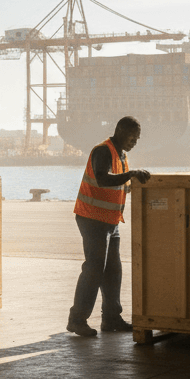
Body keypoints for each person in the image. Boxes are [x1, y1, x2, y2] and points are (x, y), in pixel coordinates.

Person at [68, 116, 151, 337]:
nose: (135, 141)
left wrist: (130, 184)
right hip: (92, 218)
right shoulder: (103, 151)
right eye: (133, 137)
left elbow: (117, 183)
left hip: (111, 221)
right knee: (94, 268)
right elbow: (102, 179)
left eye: (138, 138)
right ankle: (77, 319)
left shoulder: (122, 155)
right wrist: (131, 175)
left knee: (113, 270)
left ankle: (111, 318)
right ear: (121, 131)